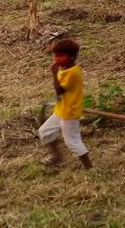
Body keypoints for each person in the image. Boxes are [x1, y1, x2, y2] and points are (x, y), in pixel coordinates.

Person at [39, 38, 92, 169]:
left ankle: (89, 168)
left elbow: (59, 90)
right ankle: (57, 158)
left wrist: (53, 74)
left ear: (72, 57)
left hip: (70, 112)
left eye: (60, 56)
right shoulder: (65, 68)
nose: (56, 59)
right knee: (45, 132)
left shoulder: (72, 72)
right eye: (55, 56)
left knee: (72, 141)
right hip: (61, 109)